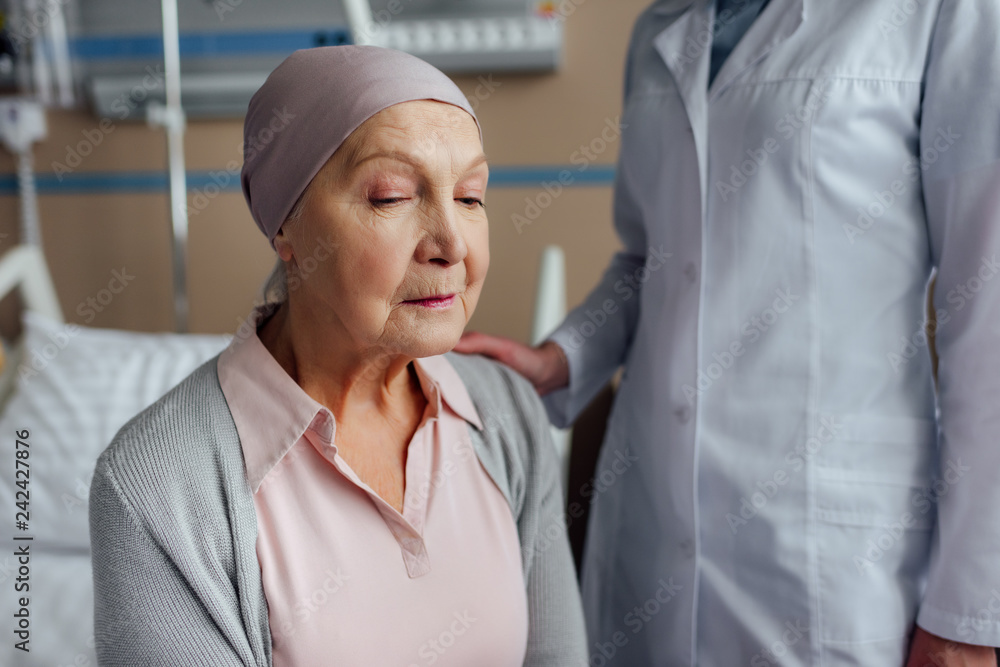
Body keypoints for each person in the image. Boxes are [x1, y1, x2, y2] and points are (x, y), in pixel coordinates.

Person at [455, 0, 1000, 664]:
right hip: (651, 532)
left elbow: (987, 304)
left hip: (834, 552)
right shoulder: (661, 29)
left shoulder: (941, 12)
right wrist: (559, 359)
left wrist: (969, 616)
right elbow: (648, 260)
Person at [88, 45, 587, 667]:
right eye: (391, 197)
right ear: (285, 226)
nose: (452, 244)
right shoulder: (156, 487)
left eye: (470, 196)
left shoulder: (507, 414)